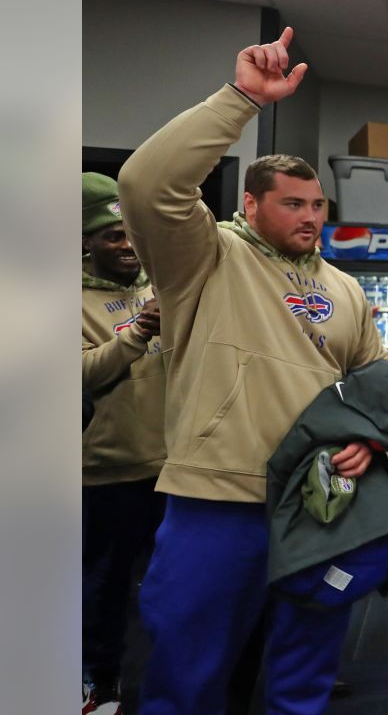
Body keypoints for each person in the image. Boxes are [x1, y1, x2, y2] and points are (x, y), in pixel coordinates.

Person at [118, 28, 387, 715]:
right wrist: (240, 98)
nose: (310, 217)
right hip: (219, 502)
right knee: (188, 671)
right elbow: (145, 183)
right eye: (292, 204)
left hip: (318, 502)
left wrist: (373, 437)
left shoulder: (344, 288)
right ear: (251, 205)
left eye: (318, 205)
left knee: (304, 671)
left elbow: (377, 383)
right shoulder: (203, 259)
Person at [80, 172, 167, 715]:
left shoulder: (157, 286)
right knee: (103, 590)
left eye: (131, 233)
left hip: (174, 468)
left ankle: (172, 675)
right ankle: (103, 682)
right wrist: (137, 332)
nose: (128, 246)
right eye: (113, 236)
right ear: (85, 241)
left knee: (173, 587)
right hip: (106, 472)